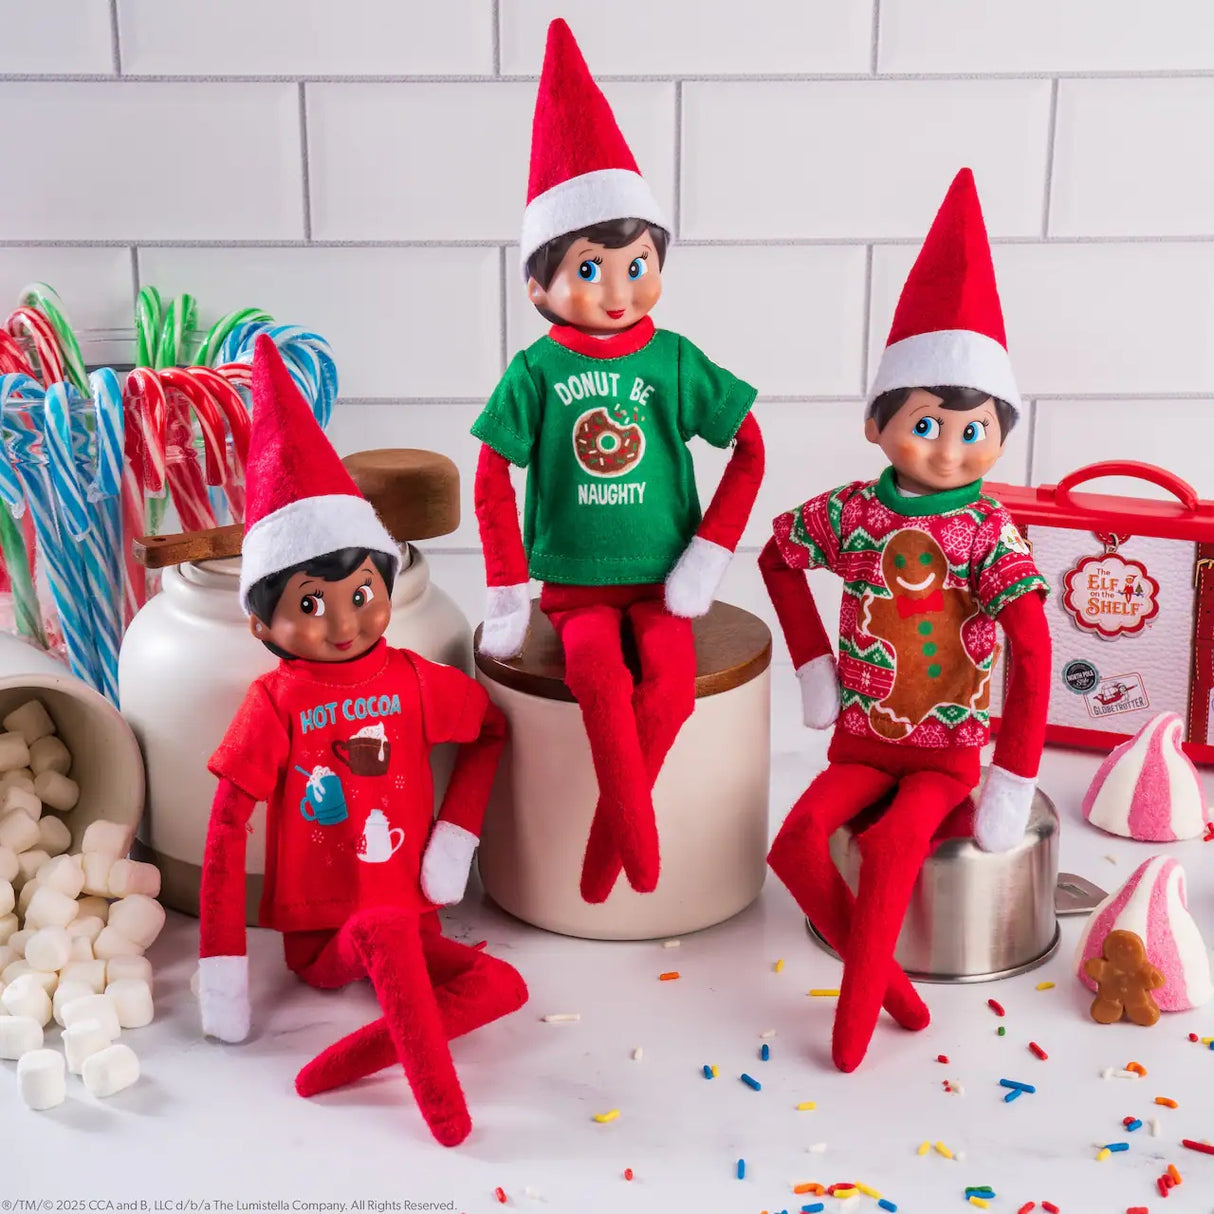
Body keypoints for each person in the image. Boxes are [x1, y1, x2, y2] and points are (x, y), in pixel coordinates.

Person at [197, 336, 527, 1146]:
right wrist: (223, 973)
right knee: (377, 930)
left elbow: (491, 728)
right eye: (311, 604)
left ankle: (347, 1063)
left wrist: (456, 836)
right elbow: (224, 829)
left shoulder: (416, 678)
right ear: (260, 621)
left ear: (386, 580)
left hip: (415, 917)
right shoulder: (275, 702)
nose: (343, 623)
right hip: (326, 936)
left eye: (361, 592)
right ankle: (445, 1117)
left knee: (506, 985)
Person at [760, 169, 1052, 1072]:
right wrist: (814, 667)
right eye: (927, 423)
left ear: (1001, 433)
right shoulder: (851, 513)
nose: (949, 446)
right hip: (862, 736)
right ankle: (891, 988)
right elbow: (775, 555)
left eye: (973, 430)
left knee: (891, 848)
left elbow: (1033, 645)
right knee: (795, 842)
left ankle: (854, 1035)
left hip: (946, 751)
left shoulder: (987, 530)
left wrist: (1010, 778)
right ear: (878, 422)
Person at [472, 18, 765, 904]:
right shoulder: (537, 371)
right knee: (597, 679)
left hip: (662, 579)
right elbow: (490, 474)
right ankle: (627, 859)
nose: (618, 288)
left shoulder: (674, 359)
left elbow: (749, 448)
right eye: (591, 268)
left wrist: (709, 552)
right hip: (571, 584)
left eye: (637, 262)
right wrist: (506, 588)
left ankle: (610, 850)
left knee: (669, 687)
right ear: (539, 286)